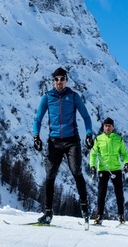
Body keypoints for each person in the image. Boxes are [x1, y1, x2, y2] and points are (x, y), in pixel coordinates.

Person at [32, 67, 95, 225]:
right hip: (54, 142)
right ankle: (47, 213)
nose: (59, 82)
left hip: (72, 141)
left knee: (76, 171)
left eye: (62, 79)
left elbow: (86, 117)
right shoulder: (47, 97)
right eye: (56, 79)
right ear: (53, 81)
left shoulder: (73, 96)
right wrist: (36, 136)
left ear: (66, 80)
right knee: (50, 176)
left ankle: (84, 208)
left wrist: (89, 134)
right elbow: (38, 119)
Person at [88, 118, 128, 225]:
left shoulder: (118, 139)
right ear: (103, 127)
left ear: (113, 127)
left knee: (119, 193)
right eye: (106, 125)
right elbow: (93, 154)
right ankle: (99, 216)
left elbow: (124, 153)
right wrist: (92, 166)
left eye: (109, 126)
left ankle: (121, 216)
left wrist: (126, 163)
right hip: (103, 169)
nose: (107, 128)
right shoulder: (98, 139)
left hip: (116, 169)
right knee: (101, 193)